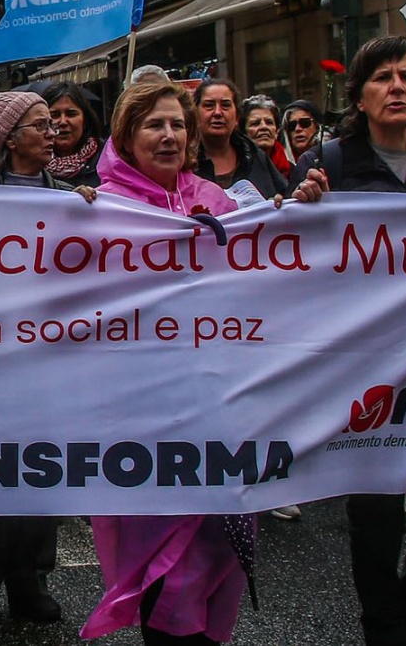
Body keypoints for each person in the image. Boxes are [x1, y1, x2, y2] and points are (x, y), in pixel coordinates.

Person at [288, 36, 406, 646]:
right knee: (375, 507)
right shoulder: (330, 162)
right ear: (360, 97)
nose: (397, 87)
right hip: (365, 363)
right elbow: (294, 256)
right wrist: (302, 207)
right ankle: (384, 625)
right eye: (382, 78)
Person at [80, 80, 251, 646]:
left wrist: (304, 211)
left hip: (212, 405)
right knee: (158, 562)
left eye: (178, 124)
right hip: (140, 416)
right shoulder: (97, 208)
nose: (170, 135)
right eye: (155, 124)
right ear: (127, 138)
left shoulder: (216, 200)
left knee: (215, 551)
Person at [0, 90, 93, 625]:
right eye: (39, 124)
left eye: (53, 123)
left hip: (51, 355)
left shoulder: (72, 196)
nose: (51, 131)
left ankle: (31, 579)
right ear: (10, 137)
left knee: (44, 469)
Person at [194, 79, 286, 198]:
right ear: (195, 114)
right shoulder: (183, 161)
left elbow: (284, 197)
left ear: (237, 116)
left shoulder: (254, 156)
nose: (217, 112)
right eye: (209, 105)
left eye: (226, 105)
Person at [43, 81, 106, 188]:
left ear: (85, 120)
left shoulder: (107, 157)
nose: (63, 122)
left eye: (71, 114)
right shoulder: (33, 165)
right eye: (55, 115)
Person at [240, 94, 291, 178]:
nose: (264, 127)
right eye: (255, 123)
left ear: (277, 131)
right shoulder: (235, 168)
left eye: (269, 122)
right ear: (244, 132)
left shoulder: (291, 171)